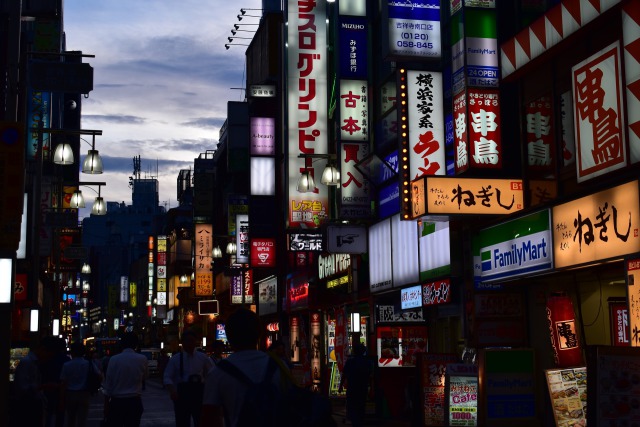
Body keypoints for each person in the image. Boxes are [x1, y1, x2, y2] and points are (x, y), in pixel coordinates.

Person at [201, 308, 287, 427]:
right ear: (259, 334)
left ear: (229, 336)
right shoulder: (279, 367)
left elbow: (209, 418)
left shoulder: (218, 373)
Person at [163, 330, 214, 427]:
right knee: (182, 422)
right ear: (182, 342)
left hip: (199, 394)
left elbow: (211, 375)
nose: (189, 344)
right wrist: (172, 390)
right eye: (187, 341)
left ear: (196, 342)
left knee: (201, 422)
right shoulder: (175, 359)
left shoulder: (203, 358)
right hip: (182, 395)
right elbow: (167, 376)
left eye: (191, 341)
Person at [101, 332, 148, 427]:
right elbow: (145, 377)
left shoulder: (114, 359)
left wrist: (106, 406)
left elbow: (108, 385)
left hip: (117, 402)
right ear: (136, 344)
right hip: (134, 401)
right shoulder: (142, 359)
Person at [11, 336, 57, 427]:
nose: (48, 358)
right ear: (43, 349)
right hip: (27, 405)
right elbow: (22, 387)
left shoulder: (34, 362)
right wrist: (42, 387)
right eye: (48, 354)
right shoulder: (28, 362)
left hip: (31, 404)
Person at [59, 341, 102, 427]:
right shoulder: (88, 363)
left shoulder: (67, 365)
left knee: (70, 419)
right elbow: (99, 375)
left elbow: (63, 382)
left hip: (70, 393)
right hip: (84, 393)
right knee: (82, 420)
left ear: (72, 352)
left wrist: (61, 398)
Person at [339, 344, 373, 427]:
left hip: (352, 387)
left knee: (352, 406)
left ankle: (354, 421)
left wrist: (340, 386)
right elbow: (370, 376)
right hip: (362, 387)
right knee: (361, 406)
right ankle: (360, 421)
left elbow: (344, 374)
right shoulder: (367, 362)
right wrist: (371, 388)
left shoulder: (350, 361)